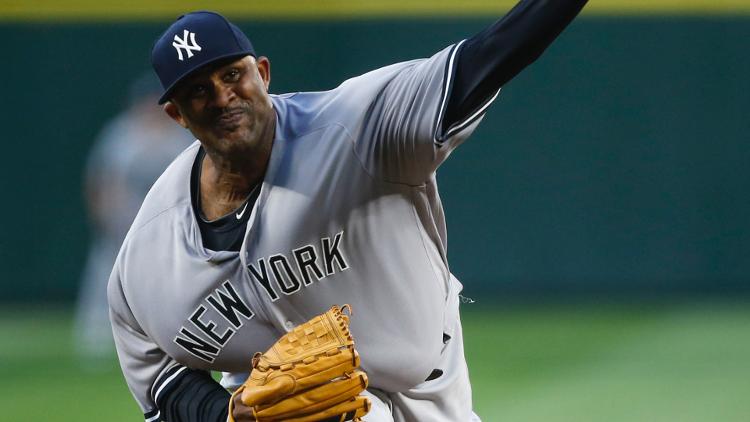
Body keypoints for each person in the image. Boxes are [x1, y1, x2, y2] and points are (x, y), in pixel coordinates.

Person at [108, 2, 588, 421]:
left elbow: (491, 55)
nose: (222, 97)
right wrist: (228, 415)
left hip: (429, 386)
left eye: (232, 75)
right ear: (176, 114)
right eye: (197, 91)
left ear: (263, 73)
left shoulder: (356, 128)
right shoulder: (148, 260)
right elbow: (157, 375)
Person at [75, 73, 193, 363]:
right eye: (146, 102)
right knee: (105, 276)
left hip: (167, 226)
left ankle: (178, 336)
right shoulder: (122, 134)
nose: (150, 108)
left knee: (177, 279)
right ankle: (95, 338)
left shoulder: (180, 134)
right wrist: (102, 215)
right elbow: (100, 179)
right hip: (122, 224)